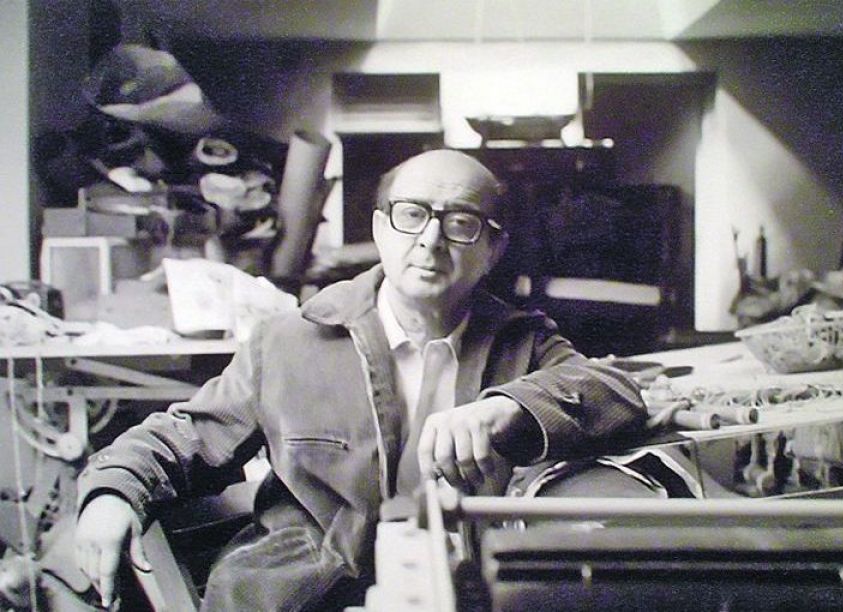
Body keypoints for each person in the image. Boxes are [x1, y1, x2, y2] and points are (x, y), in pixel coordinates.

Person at [74, 149, 649, 610]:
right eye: (411, 215)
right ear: (379, 228)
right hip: (304, 597)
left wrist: (508, 407)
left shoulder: (522, 341)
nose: (430, 240)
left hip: (458, 591)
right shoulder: (289, 340)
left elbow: (616, 391)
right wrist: (113, 491)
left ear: (493, 249)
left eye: (461, 223)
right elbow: (182, 438)